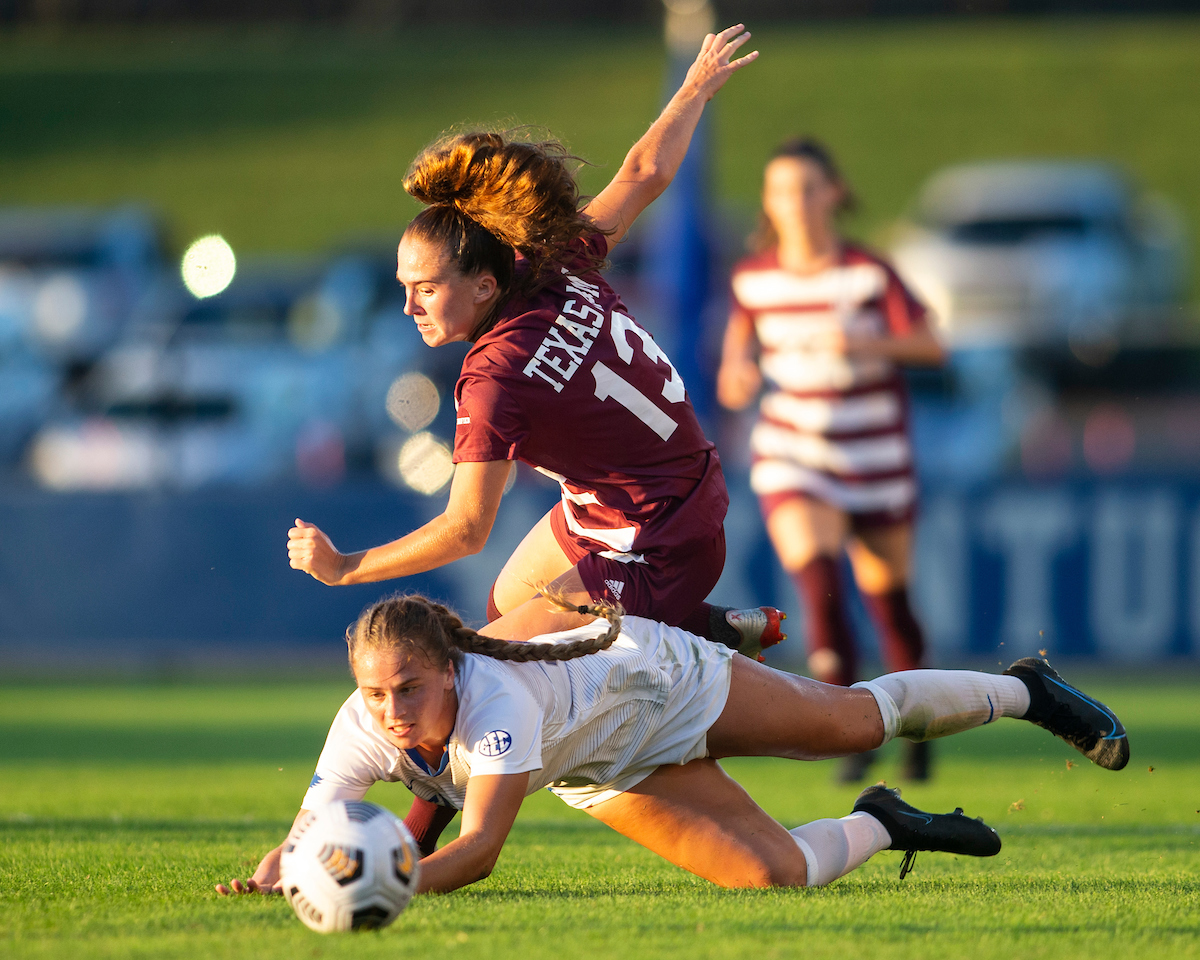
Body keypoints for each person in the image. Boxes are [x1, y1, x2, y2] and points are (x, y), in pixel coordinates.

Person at [286, 26, 781, 854]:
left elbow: (465, 528)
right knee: (491, 618)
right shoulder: (554, 261)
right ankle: (705, 622)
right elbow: (645, 175)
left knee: (483, 670)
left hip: (656, 532)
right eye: (403, 288)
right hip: (632, 499)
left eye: (425, 289)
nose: (410, 307)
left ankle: (418, 841)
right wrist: (692, 90)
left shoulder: (494, 374)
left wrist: (347, 569)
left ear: (482, 283)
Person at [217, 593, 1128, 897]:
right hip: (597, 763)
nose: (389, 711)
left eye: (407, 688)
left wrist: (385, 881)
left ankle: (1025, 691)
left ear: (450, 672)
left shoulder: (493, 700)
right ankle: (885, 823)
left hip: (657, 681)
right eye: (375, 693)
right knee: (774, 878)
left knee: (852, 722)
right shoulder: (360, 725)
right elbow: (307, 834)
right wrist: (282, 875)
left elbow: (481, 850)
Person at [717, 138, 946, 783]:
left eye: (807, 187)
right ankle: (847, 730)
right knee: (819, 587)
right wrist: (737, 377)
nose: (794, 202)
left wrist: (873, 342)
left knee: (890, 604)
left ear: (834, 194)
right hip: (795, 450)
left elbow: (932, 344)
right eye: (781, 189)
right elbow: (737, 359)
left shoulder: (869, 272)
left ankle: (919, 724)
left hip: (874, 453)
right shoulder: (753, 278)